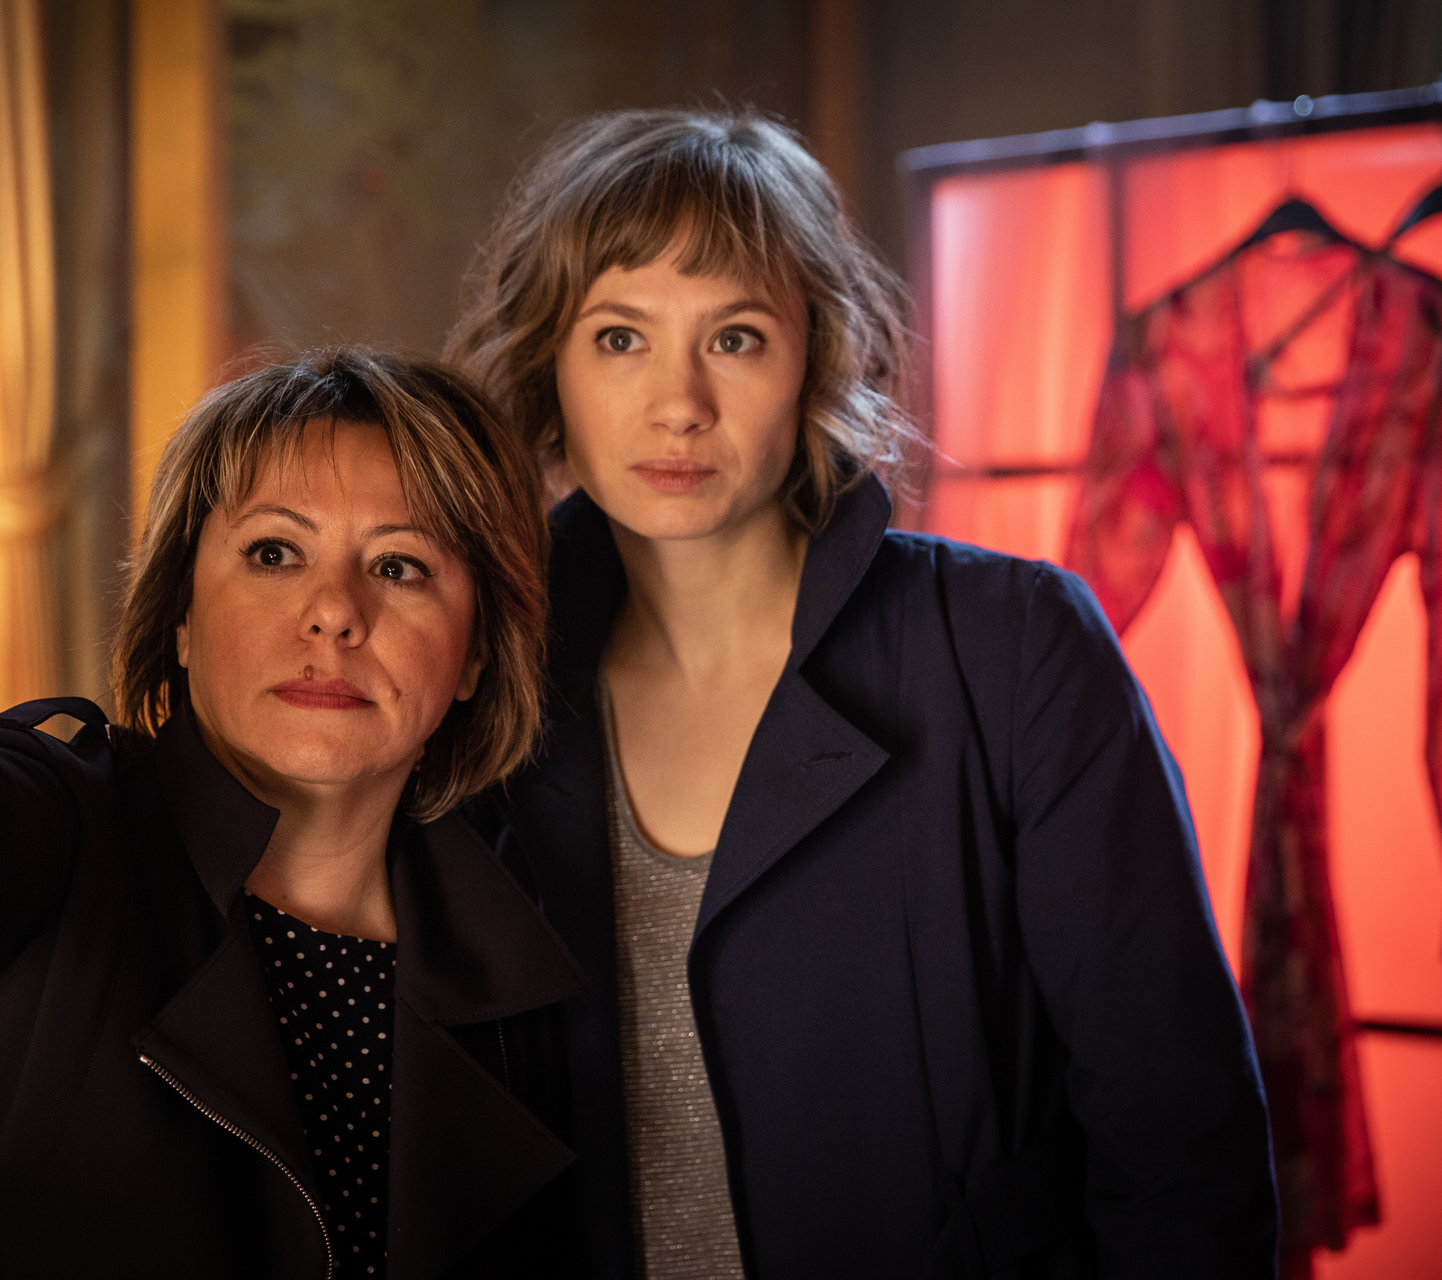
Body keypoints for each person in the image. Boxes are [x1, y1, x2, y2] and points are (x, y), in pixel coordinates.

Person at [448, 109, 1278, 1278]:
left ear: (817, 361)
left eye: (736, 338)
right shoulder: (487, 686)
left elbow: (1183, 1142)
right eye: (620, 337)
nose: (678, 402)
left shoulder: (1014, 647)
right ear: (551, 368)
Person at [0, 351, 584, 1279]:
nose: (335, 612)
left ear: (477, 654)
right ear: (180, 613)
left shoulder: (522, 955)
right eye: (274, 553)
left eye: (400, 566)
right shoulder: (58, 829)